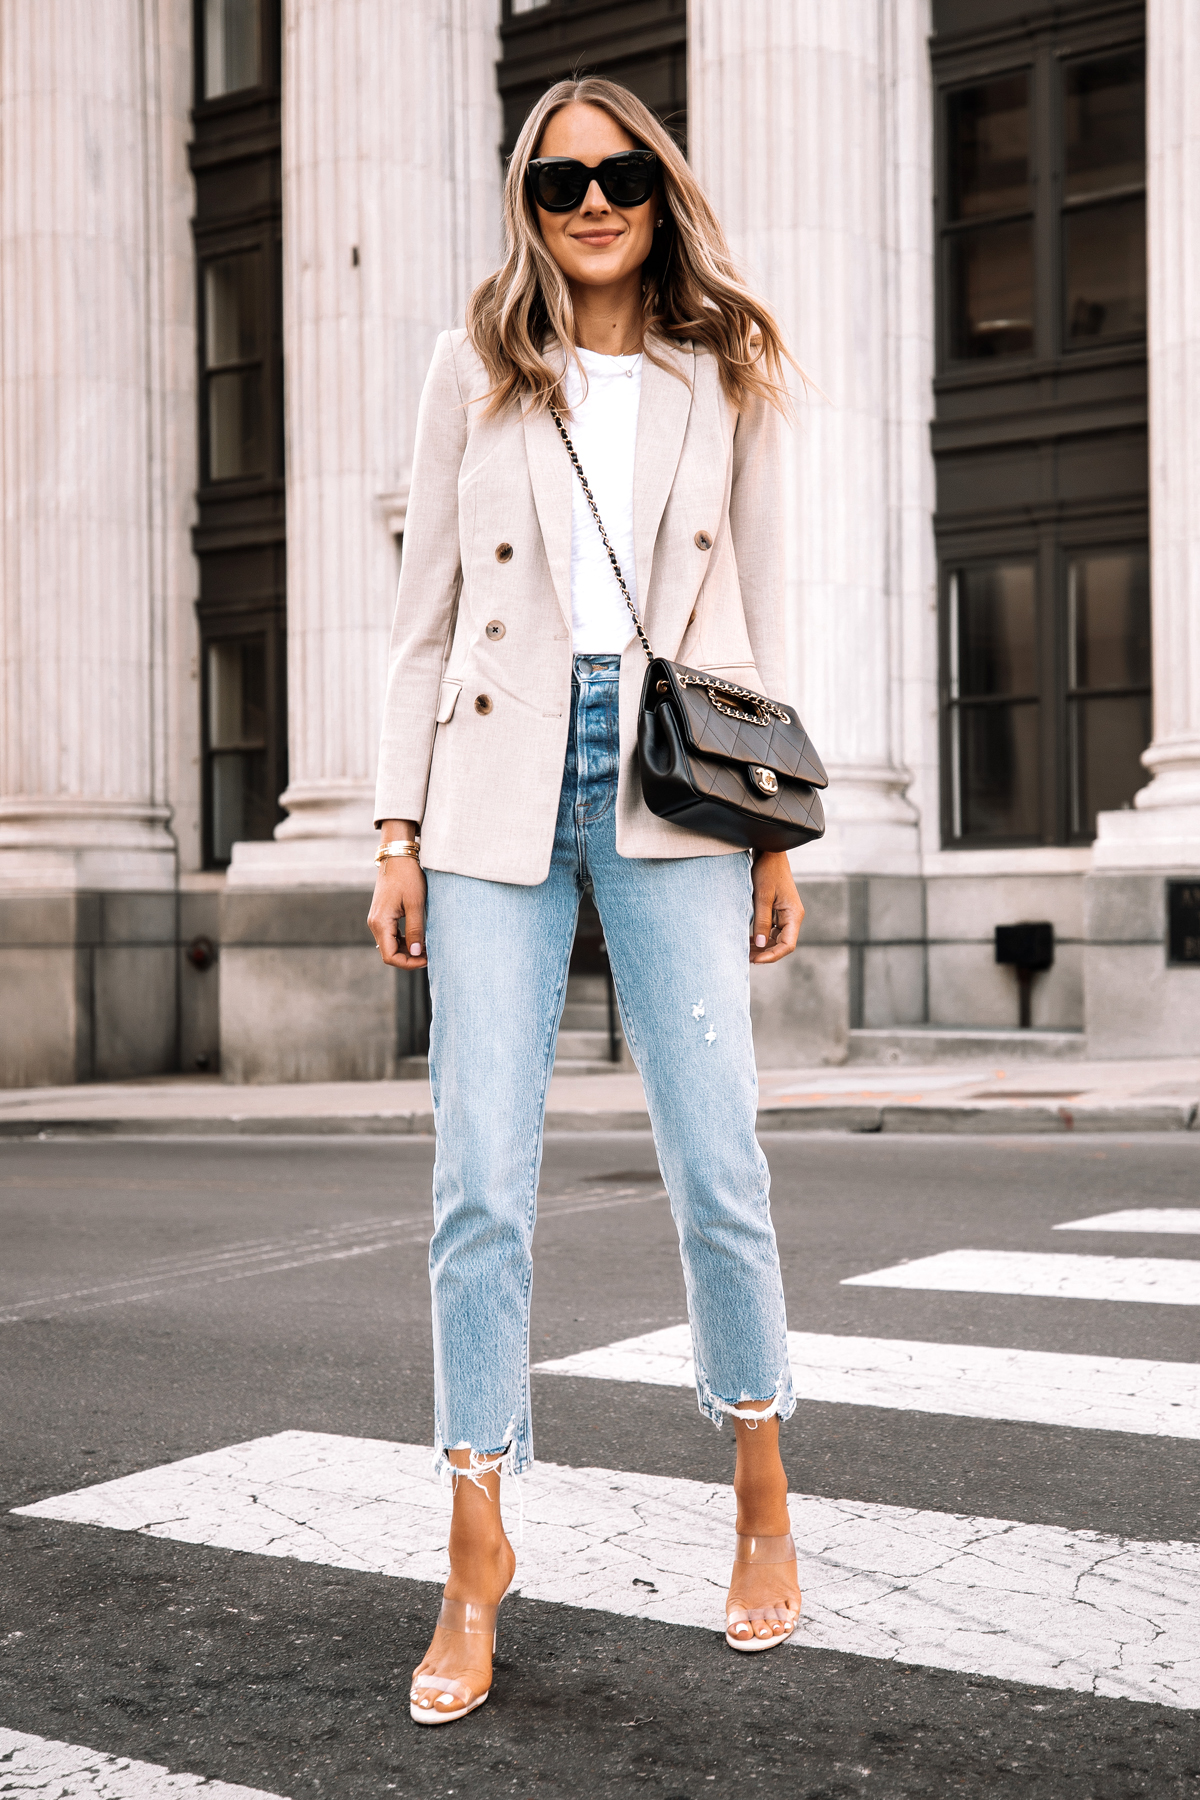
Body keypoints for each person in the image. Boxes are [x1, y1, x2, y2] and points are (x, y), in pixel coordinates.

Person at [368, 75, 807, 1727]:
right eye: (562, 181)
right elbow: (420, 615)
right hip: (492, 788)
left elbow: (755, 612)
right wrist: (393, 826)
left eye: (622, 173)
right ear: (527, 202)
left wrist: (778, 839)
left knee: (719, 1156)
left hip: (673, 779)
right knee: (477, 1176)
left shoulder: (722, 376)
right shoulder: (471, 369)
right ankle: (473, 1538)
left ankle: (761, 1476)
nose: (595, 200)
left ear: (659, 190)